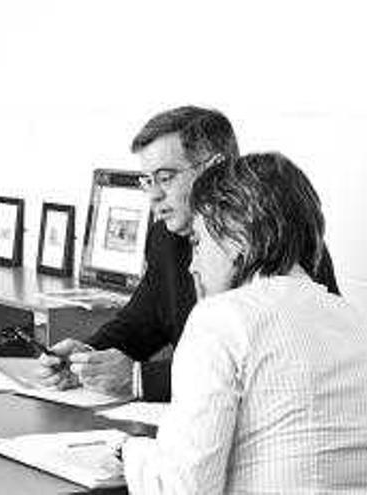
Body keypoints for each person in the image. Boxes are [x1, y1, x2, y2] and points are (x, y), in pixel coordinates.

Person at [36, 106, 339, 401]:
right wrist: (85, 358)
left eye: (165, 177)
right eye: (147, 181)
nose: (153, 194)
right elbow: (140, 323)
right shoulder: (164, 238)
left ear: (214, 167)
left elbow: (271, 368)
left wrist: (141, 379)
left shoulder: (279, 241)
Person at [122, 153, 367, 493]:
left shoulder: (221, 320)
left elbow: (184, 489)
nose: (193, 265)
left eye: (198, 241)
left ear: (236, 238)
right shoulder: (351, 319)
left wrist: (131, 452)